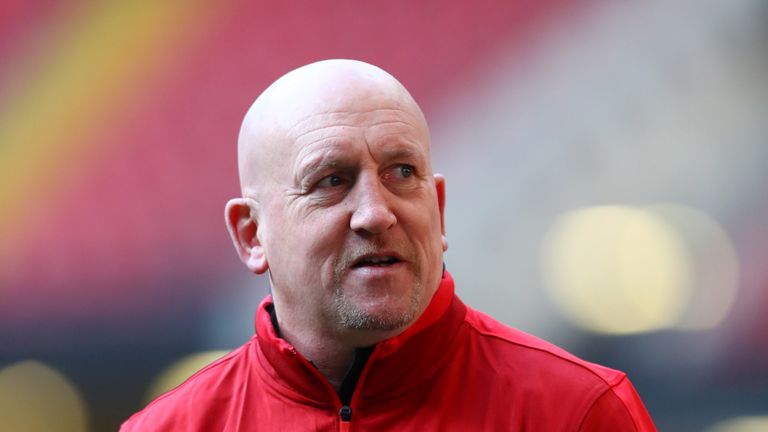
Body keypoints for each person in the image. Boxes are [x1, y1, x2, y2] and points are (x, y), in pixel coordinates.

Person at [121, 59, 656, 431]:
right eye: (331, 180)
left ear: (438, 208)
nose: (376, 214)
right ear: (251, 235)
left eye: (402, 172)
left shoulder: (580, 413)